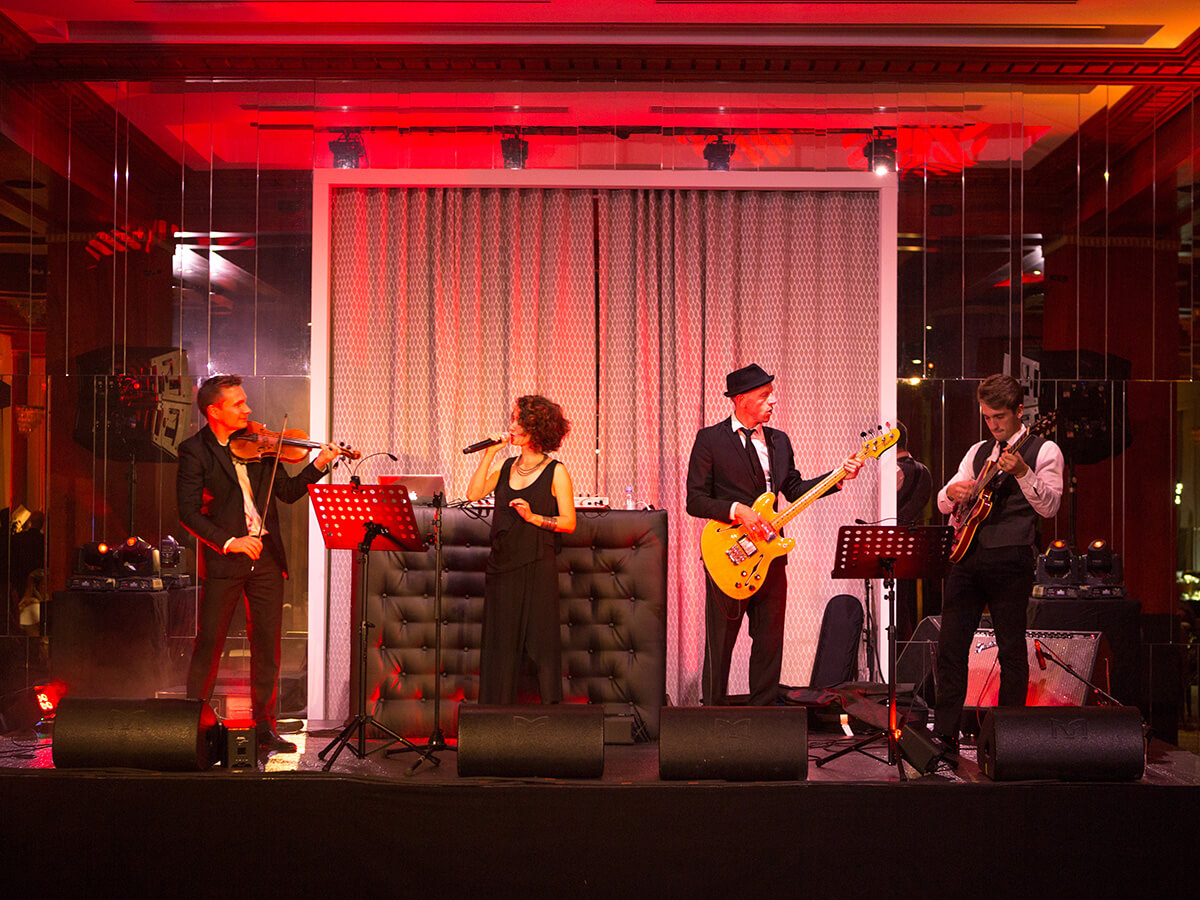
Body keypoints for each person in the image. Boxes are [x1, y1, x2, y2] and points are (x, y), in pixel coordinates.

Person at [177, 374, 339, 753]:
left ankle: (264, 727)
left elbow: (288, 493)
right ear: (214, 411)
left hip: (265, 556)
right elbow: (188, 512)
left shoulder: (261, 445)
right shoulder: (194, 451)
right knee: (210, 642)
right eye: (238, 404)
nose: (247, 409)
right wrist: (230, 541)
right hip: (226, 557)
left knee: (267, 646)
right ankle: (189, 726)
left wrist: (319, 464)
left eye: (245, 401)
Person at [685, 363, 863, 706]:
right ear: (740, 400)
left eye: (771, 394)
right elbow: (695, 500)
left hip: (771, 556)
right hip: (728, 556)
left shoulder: (780, 441)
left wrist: (838, 476)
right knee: (720, 644)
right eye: (764, 395)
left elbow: (794, 489)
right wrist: (738, 510)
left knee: (769, 642)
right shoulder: (710, 439)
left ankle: (764, 718)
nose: (773, 401)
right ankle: (711, 719)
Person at [933, 373, 1063, 752]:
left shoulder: (1044, 450)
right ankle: (945, 736)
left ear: (1019, 411)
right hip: (967, 557)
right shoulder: (977, 452)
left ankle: (1009, 740)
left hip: (1011, 557)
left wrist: (1023, 472)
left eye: (999, 417)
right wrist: (952, 492)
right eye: (987, 417)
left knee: (1010, 650)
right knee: (950, 647)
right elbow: (943, 501)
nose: (993, 425)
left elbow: (1050, 506)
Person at [466, 394, 576, 705]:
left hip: (537, 565)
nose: (511, 426)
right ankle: (493, 720)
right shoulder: (506, 466)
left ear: (535, 429)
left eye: (518, 421)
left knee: (542, 646)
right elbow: (473, 493)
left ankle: (550, 720)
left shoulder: (556, 471)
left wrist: (533, 517)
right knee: (499, 648)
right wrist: (489, 454)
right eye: (513, 419)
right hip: (502, 566)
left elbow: (569, 522)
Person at [895, 421, 932, 641]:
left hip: (891, 544)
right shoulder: (924, 471)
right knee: (904, 607)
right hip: (911, 544)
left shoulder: (893, 471)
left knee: (897, 609)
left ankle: (897, 654)